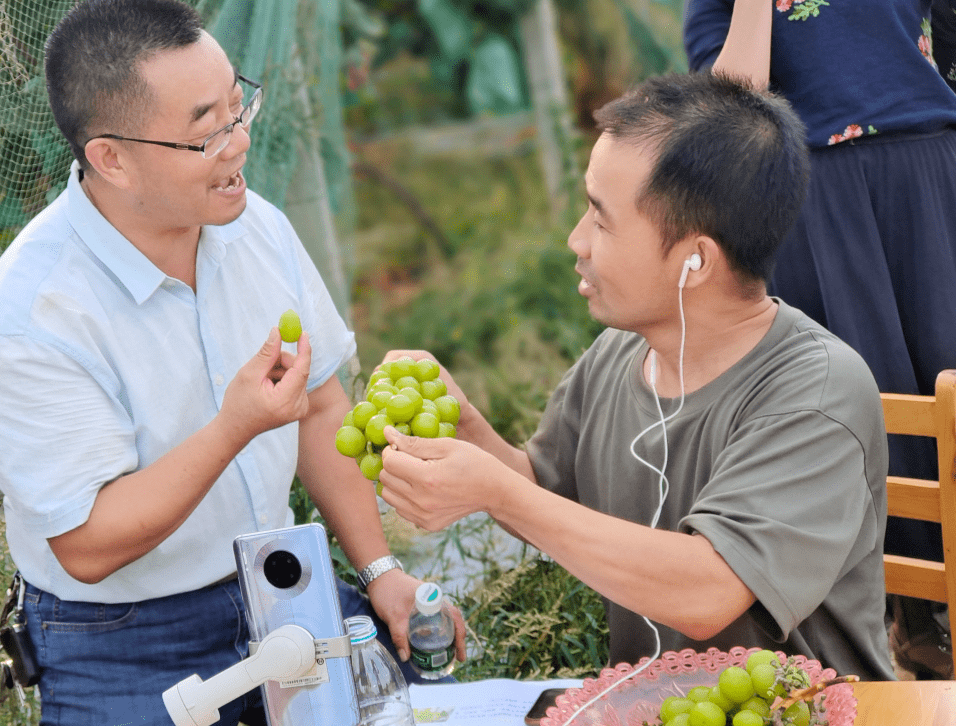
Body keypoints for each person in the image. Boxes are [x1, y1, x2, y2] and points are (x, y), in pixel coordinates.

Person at [0, 1, 463, 726]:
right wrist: (234, 427)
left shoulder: (251, 226)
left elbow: (323, 405)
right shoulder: (31, 319)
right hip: (119, 635)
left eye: (239, 105)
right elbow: (88, 544)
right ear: (112, 158)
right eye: (205, 132)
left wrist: (379, 568)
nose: (239, 142)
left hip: (278, 577)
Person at [377, 70, 896, 684]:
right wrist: (468, 433)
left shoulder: (817, 393)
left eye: (601, 219)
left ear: (695, 261)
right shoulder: (619, 354)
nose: (576, 241)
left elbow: (709, 591)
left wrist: (495, 489)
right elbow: (543, 501)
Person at [683, 0, 956, 680]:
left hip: (933, 172)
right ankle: (915, 620)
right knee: (872, 407)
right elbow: (732, 107)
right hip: (817, 195)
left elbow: (953, 60)